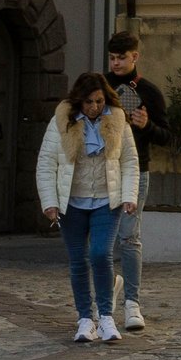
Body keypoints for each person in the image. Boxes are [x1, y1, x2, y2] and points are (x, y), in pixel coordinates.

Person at [36, 71, 139, 344]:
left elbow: (129, 161)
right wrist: (50, 202)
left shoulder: (118, 121)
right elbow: (47, 163)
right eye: (88, 102)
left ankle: (105, 316)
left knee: (100, 253)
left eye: (99, 101)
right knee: (78, 260)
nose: (94, 107)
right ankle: (85, 318)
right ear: (78, 101)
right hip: (72, 202)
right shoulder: (60, 123)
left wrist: (129, 195)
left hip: (108, 200)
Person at [103, 31, 169, 332]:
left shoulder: (150, 92)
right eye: (112, 58)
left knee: (129, 237)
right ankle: (111, 284)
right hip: (101, 171)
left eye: (122, 58)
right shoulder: (99, 87)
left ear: (135, 57)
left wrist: (148, 126)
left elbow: (169, 137)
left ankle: (132, 303)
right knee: (100, 243)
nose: (116, 64)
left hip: (136, 171)